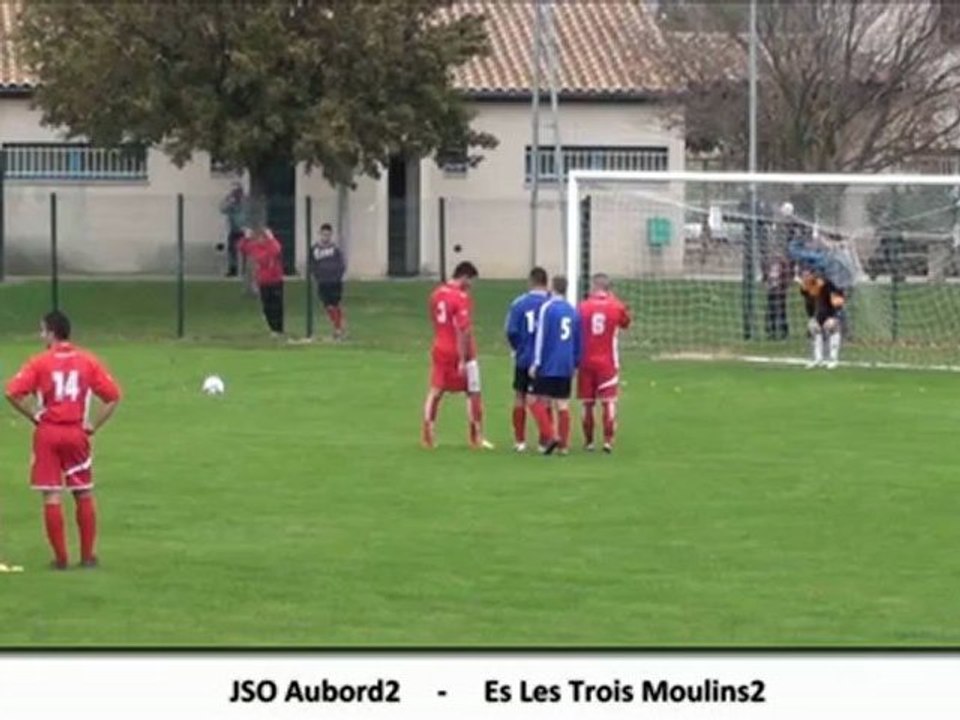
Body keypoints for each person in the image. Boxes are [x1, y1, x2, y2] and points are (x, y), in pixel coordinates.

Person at [4, 311, 122, 570]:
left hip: (48, 432)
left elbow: (12, 392)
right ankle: (88, 556)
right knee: (83, 491)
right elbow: (113, 396)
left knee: (51, 494)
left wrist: (34, 415)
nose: (41, 335)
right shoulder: (88, 361)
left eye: (42, 330)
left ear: (51, 333)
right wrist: (93, 425)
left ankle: (60, 559)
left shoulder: (39, 362)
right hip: (76, 432)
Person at [422, 261, 493, 450]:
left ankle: (428, 435)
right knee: (473, 392)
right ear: (464, 277)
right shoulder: (461, 298)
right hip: (461, 351)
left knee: (436, 390)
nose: (471, 286)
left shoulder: (436, 294)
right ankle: (476, 438)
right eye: (471, 281)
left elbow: (435, 320)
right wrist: (462, 358)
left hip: (439, 346)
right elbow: (463, 330)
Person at [577, 273, 631, 453]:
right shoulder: (617, 306)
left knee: (587, 402)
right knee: (609, 402)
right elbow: (626, 323)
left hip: (585, 360)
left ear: (594, 286)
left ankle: (589, 441)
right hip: (607, 362)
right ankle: (608, 441)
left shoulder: (582, 307)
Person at [528, 276, 580, 455]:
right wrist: (575, 363)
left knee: (534, 400)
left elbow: (540, 337)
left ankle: (551, 436)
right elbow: (577, 339)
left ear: (552, 287)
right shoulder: (572, 310)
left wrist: (536, 362)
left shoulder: (547, 308)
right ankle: (564, 447)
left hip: (550, 362)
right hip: (566, 363)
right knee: (562, 403)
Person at [504, 267, 551, 452]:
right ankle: (543, 441)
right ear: (546, 282)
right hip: (545, 360)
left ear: (531, 281)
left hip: (524, 358)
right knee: (544, 398)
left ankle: (520, 441)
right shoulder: (551, 303)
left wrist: (517, 348)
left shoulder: (519, 303)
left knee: (520, 396)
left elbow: (511, 330)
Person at [237, 227, 285, 337]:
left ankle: (279, 328)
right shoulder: (254, 247)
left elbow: (277, 250)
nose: (261, 240)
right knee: (267, 306)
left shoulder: (271, 246)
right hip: (263, 281)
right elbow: (241, 247)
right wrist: (246, 237)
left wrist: (272, 238)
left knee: (277, 305)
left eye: (263, 237)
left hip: (276, 280)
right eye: (259, 238)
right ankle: (273, 329)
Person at [799, 265, 845, 369]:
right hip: (819, 314)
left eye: (807, 275)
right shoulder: (805, 287)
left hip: (831, 312)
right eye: (803, 275)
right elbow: (809, 303)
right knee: (813, 328)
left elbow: (838, 300)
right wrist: (811, 318)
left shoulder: (826, 285)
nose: (804, 277)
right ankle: (818, 358)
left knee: (832, 327)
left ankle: (833, 359)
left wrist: (834, 317)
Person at [309, 223, 347, 340]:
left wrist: (338, 275)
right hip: (322, 281)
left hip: (335, 281)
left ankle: (338, 328)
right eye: (324, 234)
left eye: (328, 235)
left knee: (335, 304)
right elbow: (312, 264)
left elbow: (341, 264)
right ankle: (337, 326)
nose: (326, 237)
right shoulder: (314, 249)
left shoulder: (335, 249)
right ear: (320, 234)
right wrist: (316, 275)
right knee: (328, 305)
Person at [219, 182, 247, 278]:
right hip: (233, 229)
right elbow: (222, 209)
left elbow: (249, 214)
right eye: (234, 192)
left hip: (244, 231)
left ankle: (245, 270)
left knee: (245, 251)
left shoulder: (245, 202)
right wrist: (228, 200)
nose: (236, 194)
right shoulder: (231, 203)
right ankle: (233, 269)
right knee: (232, 250)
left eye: (238, 191)